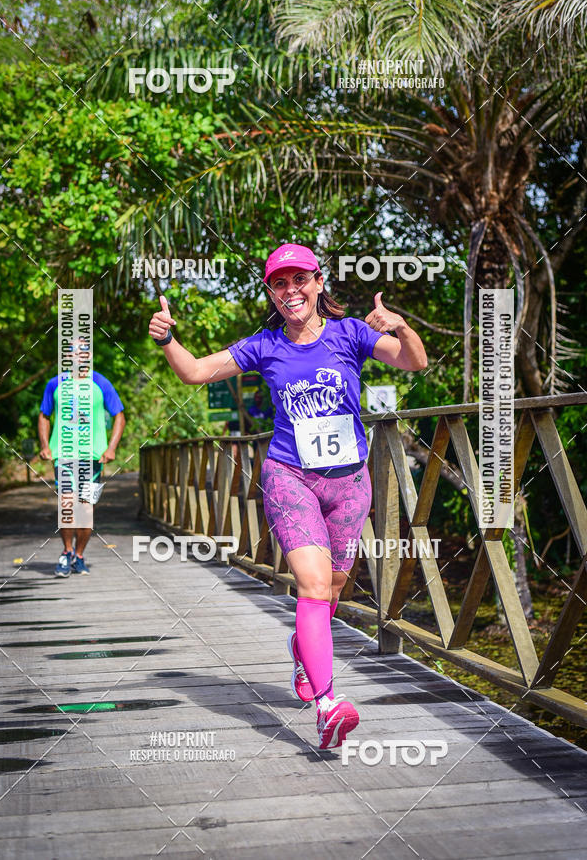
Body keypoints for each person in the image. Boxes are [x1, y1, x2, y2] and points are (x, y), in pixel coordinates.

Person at [148, 243, 426, 750]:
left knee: (334, 588)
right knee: (314, 586)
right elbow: (193, 372)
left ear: (319, 283)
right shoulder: (264, 345)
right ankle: (326, 706)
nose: (290, 290)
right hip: (289, 475)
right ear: (271, 293)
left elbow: (414, 362)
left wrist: (400, 327)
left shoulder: (351, 334)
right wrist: (169, 340)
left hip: (350, 482)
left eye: (299, 279)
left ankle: (303, 650)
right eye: (279, 283)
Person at [38, 343, 125, 577]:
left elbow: (119, 416)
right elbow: (44, 415)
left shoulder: (101, 382)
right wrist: (45, 446)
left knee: (85, 510)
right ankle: (66, 552)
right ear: (67, 356)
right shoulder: (55, 383)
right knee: (67, 504)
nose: (79, 355)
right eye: (74, 351)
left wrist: (111, 447)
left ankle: (79, 555)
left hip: (93, 457)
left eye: (84, 350)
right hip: (63, 456)